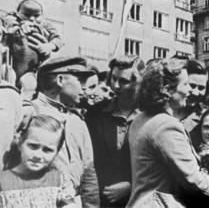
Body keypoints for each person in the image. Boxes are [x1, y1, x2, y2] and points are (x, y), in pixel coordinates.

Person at [127, 59, 209, 207]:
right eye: (185, 84)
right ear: (167, 90)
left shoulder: (140, 119)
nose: (189, 90)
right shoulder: (166, 125)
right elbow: (193, 180)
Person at [32, 56, 99, 207]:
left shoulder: (77, 121)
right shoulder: (30, 113)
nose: (84, 87)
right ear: (60, 80)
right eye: (80, 80)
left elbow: (88, 174)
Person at [85, 55, 145, 207]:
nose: (116, 86)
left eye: (124, 81)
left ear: (139, 82)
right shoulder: (95, 113)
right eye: (113, 78)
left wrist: (132, 185)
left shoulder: (151, 117)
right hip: (100, 201)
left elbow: (160, 166)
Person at [0, 115, 76, 207]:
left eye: (47, 150)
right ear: (20, 143)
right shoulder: (3, 182)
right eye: (33, 146)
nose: (38, 155)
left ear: (57, 152)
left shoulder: (59, 179)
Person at [1, 0, 64, 81]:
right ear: (17, 13)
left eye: (37, 16)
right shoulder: (11, 21)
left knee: (29, 83)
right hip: (12, 64)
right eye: (26, 15)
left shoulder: (45, 25)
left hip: (33, 68)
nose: (31, 19)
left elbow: (58, 39)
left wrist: (49, 46)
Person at [180, 59, 209, 147]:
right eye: (192, 86)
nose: (196, 93)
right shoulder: (165, 111)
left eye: (201, 88)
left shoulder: (206, 116)